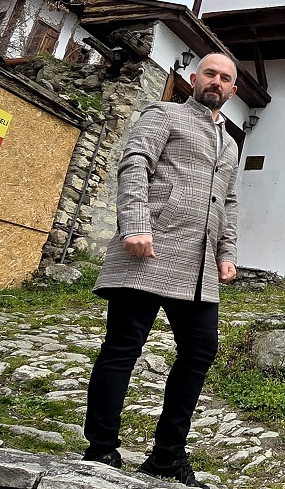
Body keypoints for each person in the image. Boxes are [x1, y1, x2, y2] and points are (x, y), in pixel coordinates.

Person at [81, 52, 241, 488]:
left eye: (225, 78)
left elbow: (227, 202)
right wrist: (134, 225)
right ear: (194, 78)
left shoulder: (230, 143)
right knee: (122, 348)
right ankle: (100, 449)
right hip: (149, 250)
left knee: (200, 352)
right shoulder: (164, 113)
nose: (216, 82)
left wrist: (226, 253)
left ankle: (167, 456)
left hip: (198, 266)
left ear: (233, 90)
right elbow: (133, 163)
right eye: (210, 74)